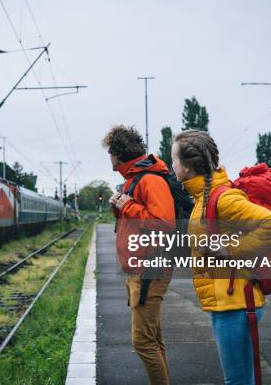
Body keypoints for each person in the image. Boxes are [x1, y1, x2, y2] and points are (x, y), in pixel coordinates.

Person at [171, 129, 271, 385]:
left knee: (237, 381)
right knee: (239, 379)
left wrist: (230, 249)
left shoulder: (222, 198)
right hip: (227, 300)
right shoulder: (203, 197)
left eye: (174, 160)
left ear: (188, 166)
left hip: (236, 303)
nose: (173, 166)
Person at [102, 125, 176, 385]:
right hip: (141, 267)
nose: (108, 158)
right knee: (152, 337)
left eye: (109, 152)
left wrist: (128, 205)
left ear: (117, 154)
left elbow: (164, 224)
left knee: (143, 341)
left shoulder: (150, 180)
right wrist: (119, 208)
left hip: (150, 269)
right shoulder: (133, 180)